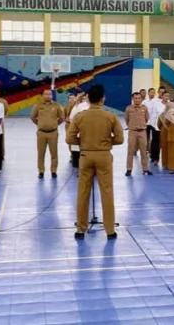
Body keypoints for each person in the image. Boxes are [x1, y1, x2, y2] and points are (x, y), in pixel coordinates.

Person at [66, 84, 124, 240]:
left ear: (88, 99)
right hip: (104, 156)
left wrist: (84, 142)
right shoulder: (110, 116)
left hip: (85, 156)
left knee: (83, 193)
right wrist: (106, 142)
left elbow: (69, 138)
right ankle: (110, 230)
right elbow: (119, 139)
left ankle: (80, 228)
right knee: (107, 192)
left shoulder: (80, 116)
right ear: (102, 99)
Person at [31, 88, 64, 179]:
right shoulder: (38, 105)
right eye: (46, 94)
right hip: (41, 133)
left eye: (49, 94)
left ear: (52, 95)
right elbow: (33, 117)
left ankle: (54, 171)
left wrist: (54, 125)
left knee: (54, 154)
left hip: (53, 133)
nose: (48, 96)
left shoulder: (57, 106)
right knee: (41, 153)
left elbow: (61, 118)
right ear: (42, 95)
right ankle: (41, 171)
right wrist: (40, 124)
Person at [124, 92, 151, 176]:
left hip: (142, 132)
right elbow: (127, 120)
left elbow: (146, 119)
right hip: (132, 132)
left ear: (141, 99)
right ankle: (129, 169)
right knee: (130, 151)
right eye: (135, 98)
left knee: (144, 151)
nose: (137, 100)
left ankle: (145, 169)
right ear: (132, 99)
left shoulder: (144, 108)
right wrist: (132, 126)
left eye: (139, 98)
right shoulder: (129, 109)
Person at [68, 92, 90, 170]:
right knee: (77, 151)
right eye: (87, 96)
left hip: (92, 134)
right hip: (80, 132)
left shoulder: (98, 107)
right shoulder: (79, 106)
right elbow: (71, 118)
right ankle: (79, 168)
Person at [158, 91, 172, 170]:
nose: (167, 97)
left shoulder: (173, 110)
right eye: (165, 96)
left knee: (171, 148)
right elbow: (159, 124)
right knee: (164, 147)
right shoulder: (162, 114)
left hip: (172, 131)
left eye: (168, 96)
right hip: (163, 130)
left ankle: (171, 163)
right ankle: (164, 163)